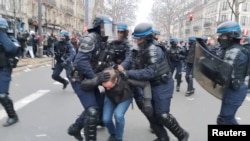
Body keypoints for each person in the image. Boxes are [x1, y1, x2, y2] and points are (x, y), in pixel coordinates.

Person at [118, 22, 189, 141]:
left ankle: (182, 135)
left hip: (162, 84)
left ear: (147, 38)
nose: (137, 41)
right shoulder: (139, 47)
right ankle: (162, 137)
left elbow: (149, 73)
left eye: (140, 38)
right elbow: (130, 59)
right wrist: (121, 67)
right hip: (149, 85)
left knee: (163, 115)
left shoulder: (154, 50)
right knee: (150, 113)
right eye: (136, 38)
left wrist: (127, 73)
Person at [67, 14, 115, 141]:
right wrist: (96, 78)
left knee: (97, 108)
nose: (109, 31)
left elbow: (104, 62)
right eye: (107, 27)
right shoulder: (91, 39)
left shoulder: (103, 42)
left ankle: (75, 128)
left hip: (90, 80)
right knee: (93, 111)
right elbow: (80, 62)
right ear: (100, 28)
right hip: (80, 79)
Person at [215, 21, 249, 125]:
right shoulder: (229, 49)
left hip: (236, 89)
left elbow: (224, 73)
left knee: (225, 119)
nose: (220, 38)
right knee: (225, 119)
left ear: (231, 36)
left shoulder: (235, 51)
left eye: (223, 36)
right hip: (233, 88)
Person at [0, 17, 20, 127]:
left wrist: (2, 34)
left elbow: (11, 49)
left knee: (2, 95)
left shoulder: (11, 39)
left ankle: (13, 116)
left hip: (4, 70)